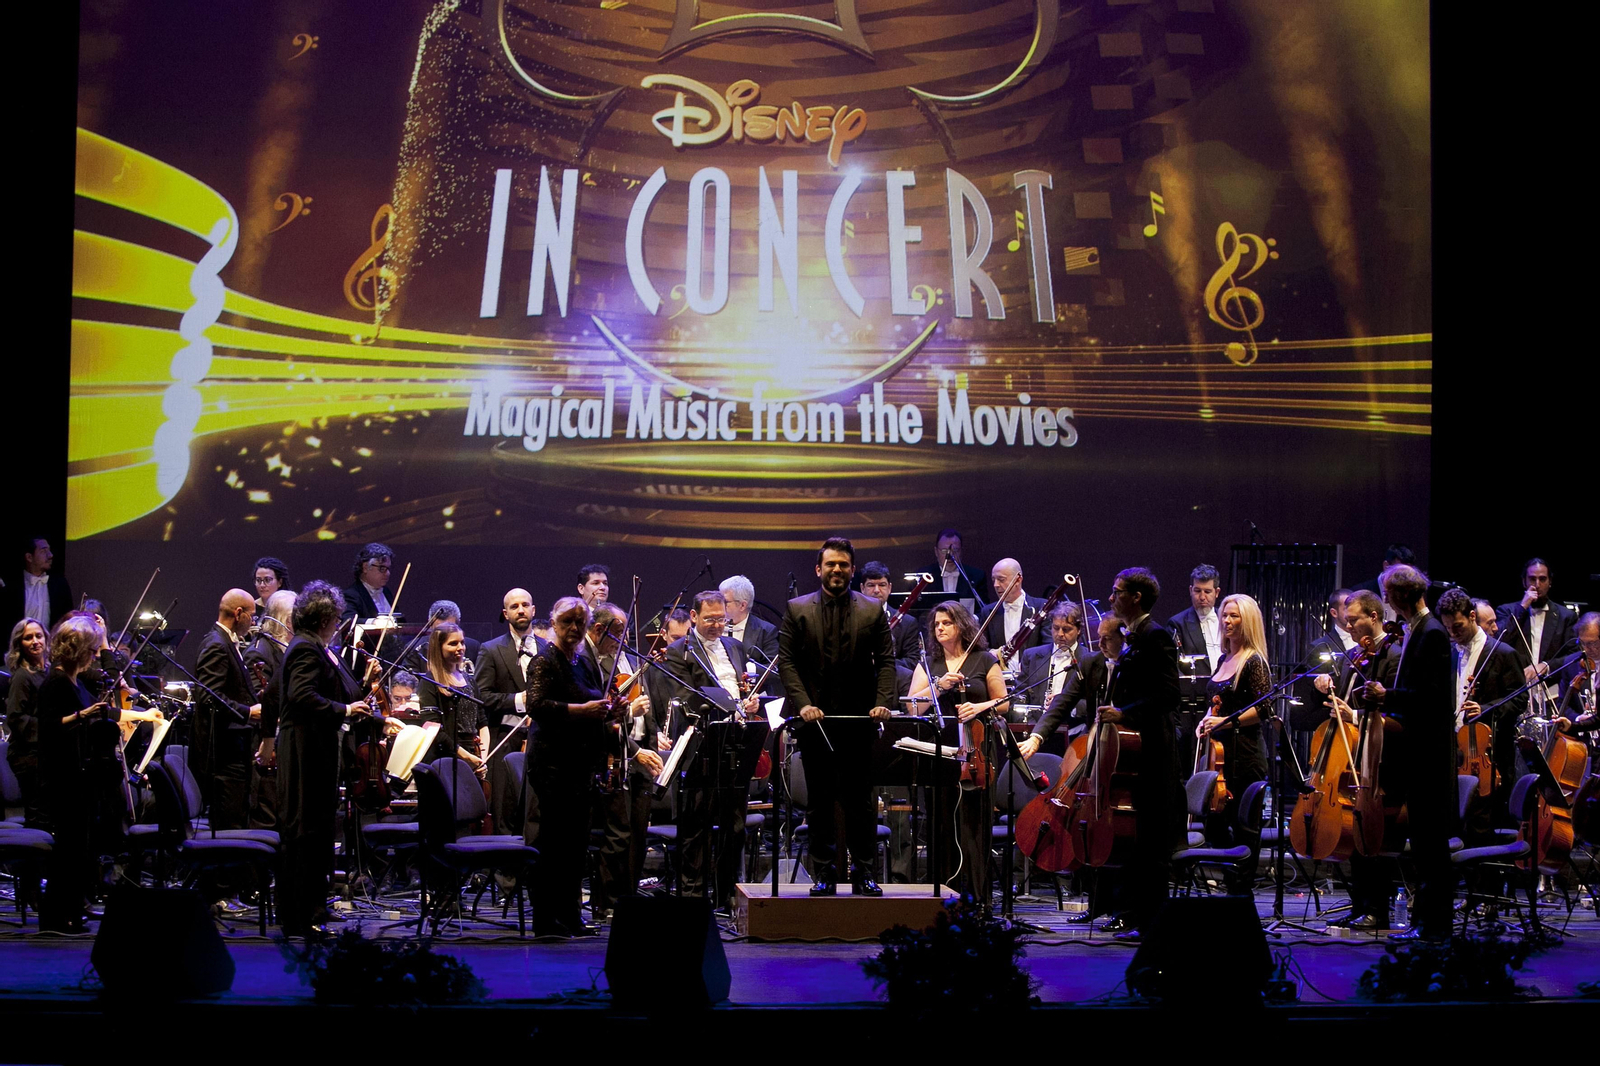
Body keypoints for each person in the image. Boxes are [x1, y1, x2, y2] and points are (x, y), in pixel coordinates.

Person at [778, 536, 896, 896]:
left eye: (843, 564)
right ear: (819, 569)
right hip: (816, 723)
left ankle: (863, 872)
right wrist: (802, 705)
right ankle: (824, 873)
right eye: (831, 564)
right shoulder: (796, 609)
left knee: (861, 802)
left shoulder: (872, 610)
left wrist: (882, 701)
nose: (837, 570)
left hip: (859, 722)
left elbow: (887, 662)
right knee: (820, 802)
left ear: (852, 570)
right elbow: (787, 663)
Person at [36, 614, 161, 931]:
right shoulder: (56, 682)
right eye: (91, 650)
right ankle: (55, 916)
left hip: (80, 776)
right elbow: (48, 728)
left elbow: (106, 709)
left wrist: (144, 714)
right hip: (63, 777)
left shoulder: (75, 681)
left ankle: (70, 910)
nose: (95, 656)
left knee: (80, 848)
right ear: (76, 649)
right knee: (68, 849)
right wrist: (81, 715)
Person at [277, 581, 371, 937]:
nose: (338, 624)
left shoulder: (313, 646)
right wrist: (345, 708)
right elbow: (301, 696)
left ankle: (315, 906)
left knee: (317, 833)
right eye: (336, 618)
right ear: (325, 618)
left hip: (314, 748)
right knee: (304, 832)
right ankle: (300, 916)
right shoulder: (305, 648)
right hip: (304, 750)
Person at [1368, 563, 1456, 941]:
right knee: (1421, 845)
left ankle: (1434, 927)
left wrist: (1389, 695)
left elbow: (1434, 699)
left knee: (1430, 847)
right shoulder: (1417, 630)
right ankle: (1425, 925)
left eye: (1388, 593)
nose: (1385, 599)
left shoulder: (1432, 632)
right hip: (1417, 754)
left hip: (1429, 757)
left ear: (1401, 595)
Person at [665, 590, 765, 908]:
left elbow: (742, 686)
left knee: (734, 826)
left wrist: (749, 703)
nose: (716, 625)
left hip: (734, 744)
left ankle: (725, 895)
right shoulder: (679, 651)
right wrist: (730, 703)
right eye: (709, 619)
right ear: (694, 617)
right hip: (700, 747)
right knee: (696, 826)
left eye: (721, 619)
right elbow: (687, 696)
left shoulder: (735, 647)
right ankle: (693, 897)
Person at [1096, 567, 1180, 938]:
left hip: (1153, 753)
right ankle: (1131, 913)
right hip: (1134, 751)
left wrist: (1124, 713)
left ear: (1136, 598)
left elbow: (1168, 695)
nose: (1111, 598)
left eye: (1117, 593)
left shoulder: (1157, 636)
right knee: (1136, 839)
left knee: (1151, 841)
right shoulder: (1131, 636)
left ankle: (1151, 922)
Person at [524, 597, 615, 936]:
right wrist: (584, 711)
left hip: (579, 764)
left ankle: (571, 916)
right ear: (554, 622)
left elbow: (593, 701)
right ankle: (546, 921)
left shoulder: (583, 661)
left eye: (580, 622)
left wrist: (609, 711)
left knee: (575, 846)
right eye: (567, 622)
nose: (574, 628)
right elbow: (537, 705)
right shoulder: (545, 660)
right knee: (554, 844)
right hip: (552, 764)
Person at [907, 600, 1007, 902]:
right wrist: (939, 686)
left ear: (961, 625)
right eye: (936, 624)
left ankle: (978, 897)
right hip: (940, 751)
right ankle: (942, 895)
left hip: (977, 751)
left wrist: (978, 707)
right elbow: (913, 706)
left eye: (946, 623)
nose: (939, 628)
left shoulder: (984, 659)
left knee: (974, 826)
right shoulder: (929, 665)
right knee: (940, 822)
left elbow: (1003, 703)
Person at [1324, 589, 1402, 930]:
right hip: (1352, 755)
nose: (1348, 625)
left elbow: (1395, 711)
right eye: (1346, 619)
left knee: (1375, 833)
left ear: (1374, 616)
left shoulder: (1394, 654)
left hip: (1380, 759)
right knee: (1355, 832)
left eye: (1354, 619)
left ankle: (1378, 909)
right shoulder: (1353, 655)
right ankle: (1359, 904)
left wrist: (1352, 713)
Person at [576, 601, 657, 919]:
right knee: (616, 832)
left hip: (635, 753)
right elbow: (602, 716)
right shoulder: (589, 661)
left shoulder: (624, 658)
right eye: (618, 633)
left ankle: (625, 894)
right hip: (612, 756)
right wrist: (630, 714)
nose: (623, 639)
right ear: (598, 629)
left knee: (634, 831)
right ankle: (607, 901)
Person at [1437, 588, 1527, 850]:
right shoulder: (1451, 653)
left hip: (1488, 754)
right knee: (1454, 821)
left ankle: (1485, 886)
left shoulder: (1503, 653)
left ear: (1473, 616)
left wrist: (1486, 708)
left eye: (1458, 626)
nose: (1453, 633)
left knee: (1482, 824)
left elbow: (1519, 699)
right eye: (1448, 628)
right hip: (1455, 750)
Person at [1195, 594, 1273, 893]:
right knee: (1214, 824)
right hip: (1221, 756)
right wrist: (1206, 720)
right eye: (1225, 615)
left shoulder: (1254, 661)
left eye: (1234, 616)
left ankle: (1241, 890)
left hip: (1246, 756)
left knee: (1245, 827)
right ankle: (1232, 881)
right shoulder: (1223, 658)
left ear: (1248, 621)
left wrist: (1226, 722)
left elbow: (1265, 709)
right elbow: (1216, 704)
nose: (1227, 621)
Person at [193, 589, 263, 844]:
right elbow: (209, 697)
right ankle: (224, 883)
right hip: (223, 755)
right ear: (238, 613)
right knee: (228, 825)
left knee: (235, 819)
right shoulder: (217, 644)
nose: (253, 621)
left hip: (231, 751)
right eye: (252, 616)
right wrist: (248, 711)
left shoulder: (224, 641)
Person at [474, 588, 543, 836]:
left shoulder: (548, 649)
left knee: (537, 809)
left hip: (542, 741)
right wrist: (519, 700)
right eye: (514, 607)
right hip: (505, 738)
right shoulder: (491, 649)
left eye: (525, 605)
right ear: (506, 613)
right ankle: (505, 872)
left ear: (534, 610)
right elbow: (480, 695)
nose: (521, 610)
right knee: (505, 810)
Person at [1017, 604, 1108, 758]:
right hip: (1034, 735)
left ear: (1079, 630)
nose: (1059, 634)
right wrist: (1033, 725)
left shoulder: (1090, 660)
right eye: (1055, 628)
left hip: (1073, 737)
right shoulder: (1031, 655)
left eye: (1066, 629)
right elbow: (1019, 696)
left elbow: (1096, 703)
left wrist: (1067, 704)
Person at [1496, 558, 1579, 713]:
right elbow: (1500, 641)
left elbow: (1574, 655)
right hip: (1514, 694)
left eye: (1542, 579)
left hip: (1551, 695)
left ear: (1550, 582)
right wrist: (1523, 607)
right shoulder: (1507, 611)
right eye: (1532, 579)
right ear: (1524, 581)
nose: (1537, 584)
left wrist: (1547, 666)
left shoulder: (1566, 616)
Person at [243, 589, 294, 830]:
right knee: (269, 813)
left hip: (284, 742)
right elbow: (260, 701)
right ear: (287, 620)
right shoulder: (259, 651)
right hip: (268, 744)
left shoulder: (286, 649)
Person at [4, 618, 49, 825]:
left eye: (38, 636)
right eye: (28, 638)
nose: (35, 641)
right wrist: (52, 729)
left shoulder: (48, 672)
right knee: (38, 812)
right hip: (28, 755)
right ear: (19, 644)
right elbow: (16, 717)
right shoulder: (22, 676)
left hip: (43, 751)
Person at [979, 558, 1046, 663]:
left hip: (1032, 677)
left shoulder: (1041, 608)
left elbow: (1048, 647)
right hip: (1000, 676)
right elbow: (980, 649)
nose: (995, 585)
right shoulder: (988, 612)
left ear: (1018, 580)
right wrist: (991, 653)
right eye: (993, 580)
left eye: (1001, 579)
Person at [3, 537, 72, 632]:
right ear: (29, 557)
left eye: (49, 550)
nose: (50, 555)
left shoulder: (59, 585)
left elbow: (66, 620)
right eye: (44, 551)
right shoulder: (12, 587)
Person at [858, 561, 921, 664]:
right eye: (871, 585)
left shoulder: (908, 623)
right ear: (862, 588)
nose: (877, 590)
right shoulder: (851, 619)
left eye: (882, 585)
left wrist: (883, 665)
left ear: (889, 588)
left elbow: (913, 661)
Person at [1553, 612, 1599, 736]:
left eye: (1593, 643)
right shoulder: (1571, 663)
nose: (1587, 649)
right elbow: (1562, 704)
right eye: (1582, 643)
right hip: (1582, 738)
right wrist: (1579, 719)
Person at [718, 575, 779, 665]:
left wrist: (748, 671)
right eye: (718, 600)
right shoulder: (711, 625)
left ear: (742, 605)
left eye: (725, 602)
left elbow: (772, 670)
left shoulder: (766, 631)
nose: (719, 605)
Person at [933, 528, 982, 605]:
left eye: (955, 550)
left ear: (961, 551)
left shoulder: (977, 576)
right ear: (936, 552)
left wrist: (973, 617)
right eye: (944, 551)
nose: (950, 555)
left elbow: (984, 610)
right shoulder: (924, 577)